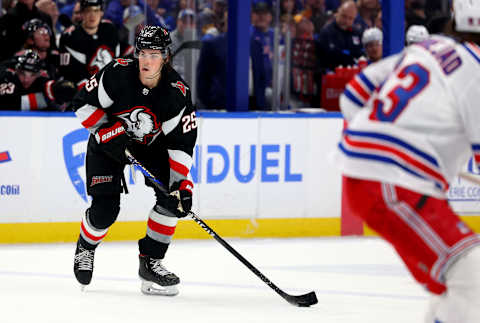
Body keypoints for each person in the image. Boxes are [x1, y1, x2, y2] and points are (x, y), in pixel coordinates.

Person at [336, 0, 480, 321]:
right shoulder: (476, 70)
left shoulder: (429, 48)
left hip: (379, 179)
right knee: (472, 278)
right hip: (396, 184)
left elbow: (354, 94)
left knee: (456, 283)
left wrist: (374, 140)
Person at [71, 25, 197, 296]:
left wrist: (182, 185)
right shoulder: (117, 72)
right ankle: (86, 246)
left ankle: (151, 262)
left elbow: (181, 144)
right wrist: (106, 131)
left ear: (166, 56)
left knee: (170, 200)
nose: (146, 60)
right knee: (105, 211)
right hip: (108, 142)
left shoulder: (177, 93)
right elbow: (81, 104)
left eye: (154, 54)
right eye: (142, 52)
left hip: (151, 148)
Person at [58, 0, 120, 88]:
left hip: (110, 86)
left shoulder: (110, 30)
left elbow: (117, 62)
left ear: (101, 13)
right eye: (88, 11)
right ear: (82, 13)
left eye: (96, 11)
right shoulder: (69, 37)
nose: (92, 15)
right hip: (82, 90)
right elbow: (68, 75)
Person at [0, 49, 75, 110]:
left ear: (39, 73)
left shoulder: (43, 82)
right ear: (16, 70)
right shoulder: (5, 78)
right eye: (22, 74)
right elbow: (8, 107)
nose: (26, 79)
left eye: (32, 75)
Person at [317, 0, 363, 72]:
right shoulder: (326, 32)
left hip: (352, 75)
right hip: (332, 75)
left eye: (350, 18)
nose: (346, 21)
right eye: (344, 16)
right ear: (338, 12)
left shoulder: (357, 33)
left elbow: (361, 55)